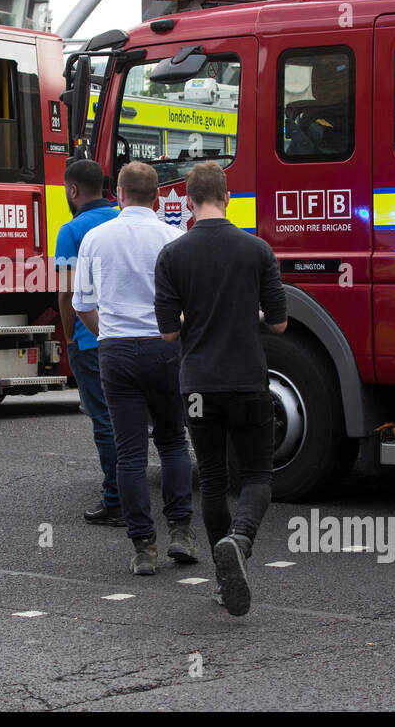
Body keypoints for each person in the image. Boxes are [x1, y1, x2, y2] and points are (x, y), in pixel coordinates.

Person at [154, 162, 288, 616]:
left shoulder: (172, 256)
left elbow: (169, 333)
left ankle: (221, 576)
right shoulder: (257, 250)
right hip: (248, 379)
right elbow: (280, 321)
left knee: (212, 479)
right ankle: (242, 540)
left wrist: (198, 318)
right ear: (227, 197)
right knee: (257, 475)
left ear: (188, 202)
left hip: (197, 386)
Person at [73, 161, 195, 575]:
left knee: (129, 453)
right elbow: (188, 307)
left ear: (119, 194)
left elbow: (82, 304)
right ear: (158, 196)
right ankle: (180, 530)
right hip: (165, 349)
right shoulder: (174, 238)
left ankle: (144, 546)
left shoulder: (94, 238)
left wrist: (106, 332)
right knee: (174, 442)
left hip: (116, 351)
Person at [54, 159, 121, 525]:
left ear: (73, 191)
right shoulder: (122, 219)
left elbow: (66, 293)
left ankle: (116, 499)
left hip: (92, 339)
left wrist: (69, 335)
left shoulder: (72, 230)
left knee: (104, 420)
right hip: (134, 336)